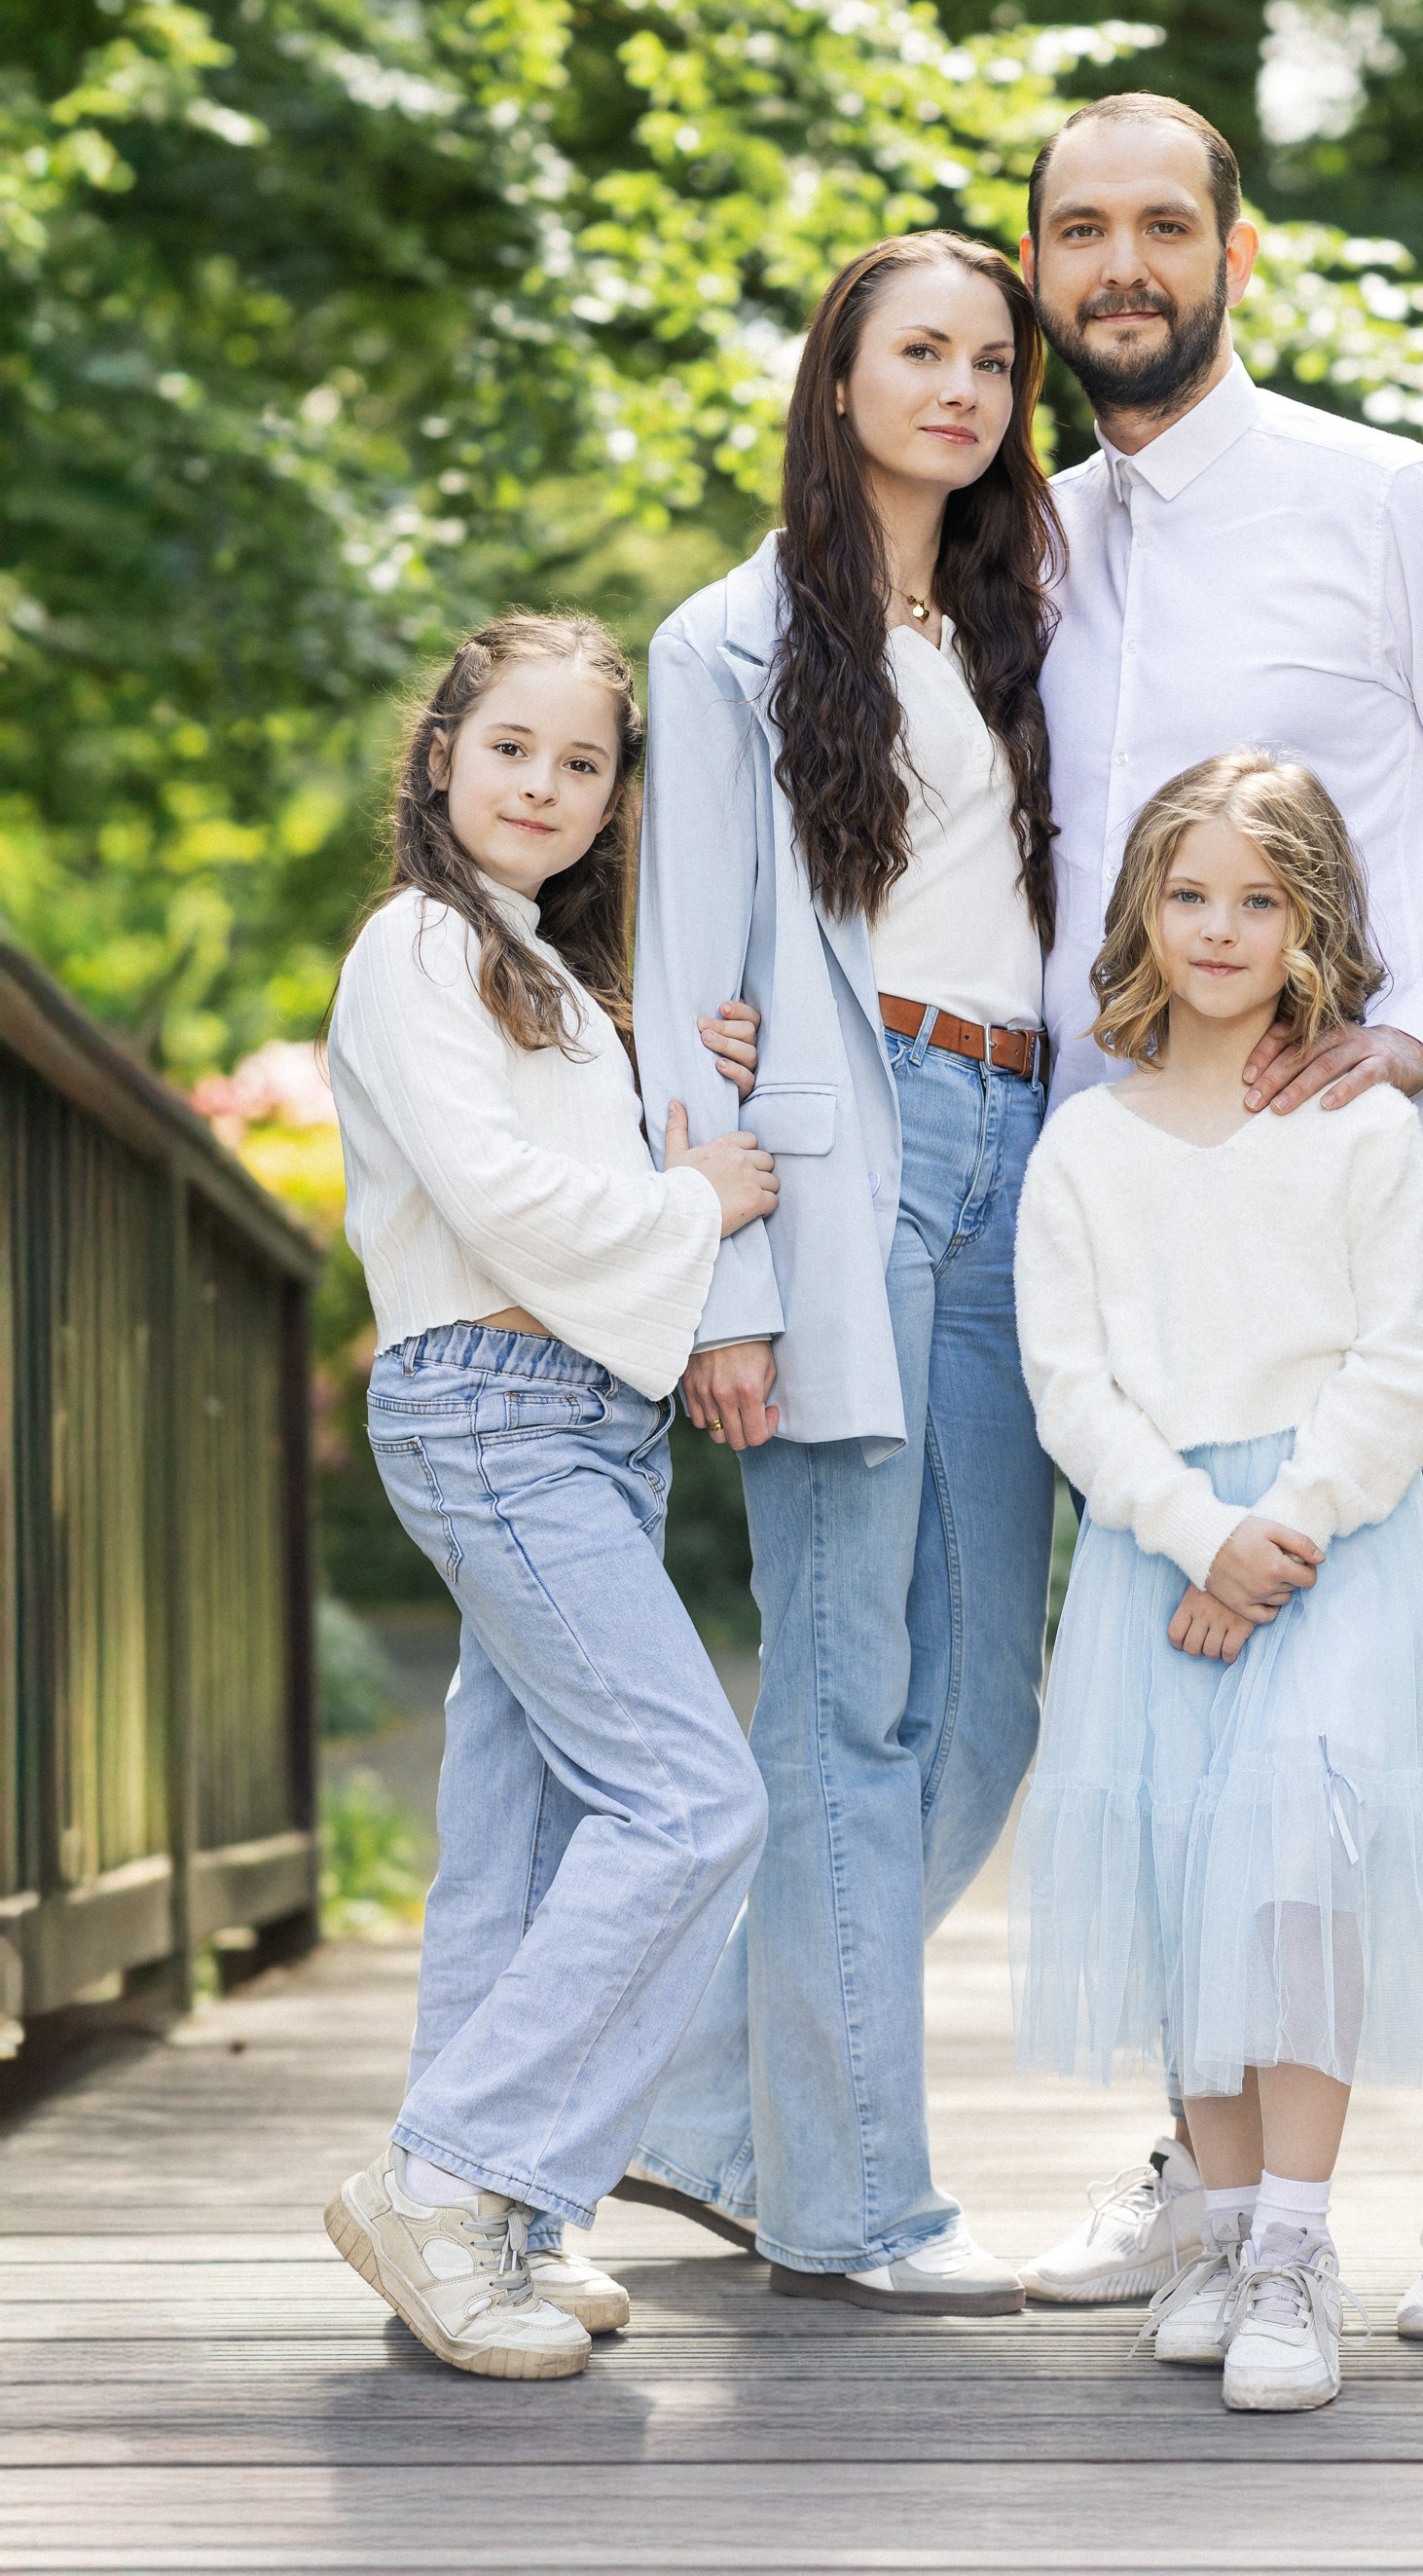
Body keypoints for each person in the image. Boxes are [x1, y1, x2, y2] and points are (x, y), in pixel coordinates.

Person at [1017, 92, 1423, 2340]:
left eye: (1162, 222)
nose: (1123, 264)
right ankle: (1214, 2173)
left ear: (1232, 253)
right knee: (1190, 1719)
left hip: (1373, 1200)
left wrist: (1413, 1031)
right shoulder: (1034, 550)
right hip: (1139, 1211)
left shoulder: (1390, 506)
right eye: (1081, 230)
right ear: (1043, 265)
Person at [622, 232, 1059, 2313]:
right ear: (842, 375)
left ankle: (704, 2112)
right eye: (920, 352)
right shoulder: (726, 639)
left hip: (1019, 1154)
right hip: (839, 1162)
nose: (960, 388)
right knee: (837, 1687)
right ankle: (853, 2200)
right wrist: (724, 1292)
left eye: (991, 360)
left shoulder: (1016, 619)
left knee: (983, 1700)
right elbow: (682, 969)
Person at [1013, 750, 1423, 2411]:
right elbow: (1070, 1385)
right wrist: (1187, 1530)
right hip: (1160, 1556)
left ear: (1308, 925)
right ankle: (1222, 2228)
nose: (1220, 927)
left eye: (1258, 899)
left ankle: (1298, 2243)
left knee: (1295, 1882)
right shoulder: (1085, 1144)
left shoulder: (1364, 1123)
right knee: (1178, 1876)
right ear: (1143, 912)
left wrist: (1277, 1532)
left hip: (1335, 1547)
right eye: (1189, 894)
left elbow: (1411, 1356)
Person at [322, 610, 778, 2379]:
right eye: (512, 746)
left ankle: (494, 2219)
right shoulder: (416, 947)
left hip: (580, 1421)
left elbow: (602, 1153)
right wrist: (700, 1202)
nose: (545, 784)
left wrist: (684, 1088)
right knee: (688, 1797)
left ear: (614, 800)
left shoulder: (545, 978)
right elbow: (506, 1204)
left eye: (584, 763)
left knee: (514, 1834)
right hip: (496, 1414)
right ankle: (447, 2176)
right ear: (442, 756)